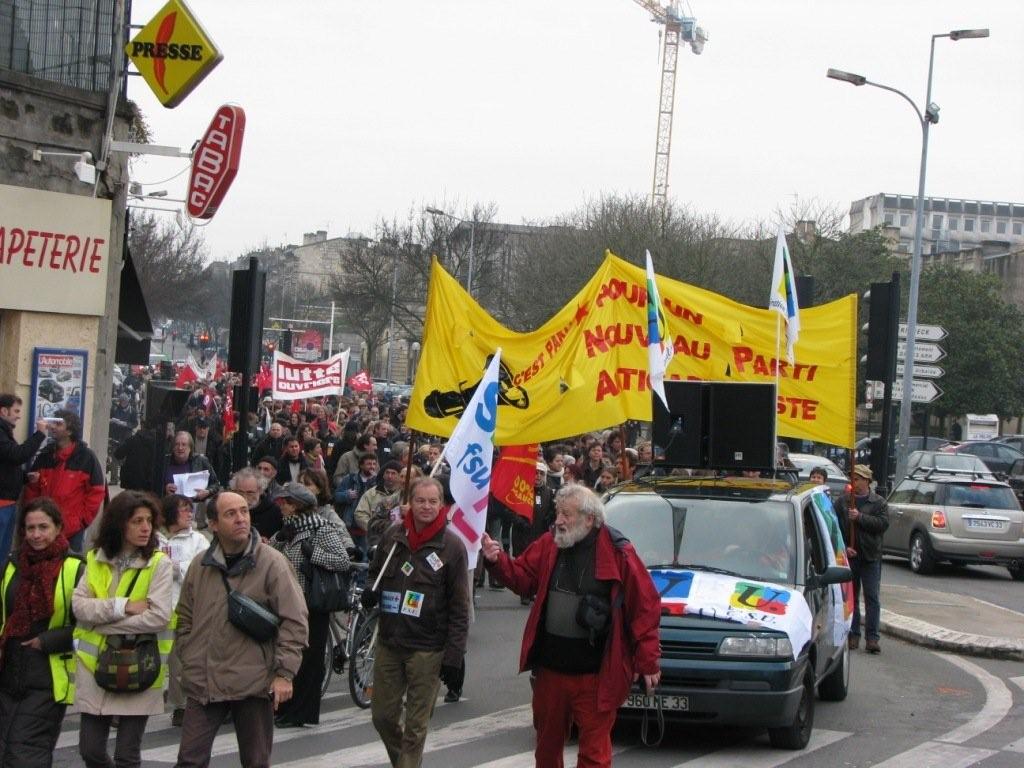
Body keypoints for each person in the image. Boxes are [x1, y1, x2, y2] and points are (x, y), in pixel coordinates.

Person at [480, 484, 662, 768]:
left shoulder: (619, 551)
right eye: (557, 513)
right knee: (547, 750)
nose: (559, 521)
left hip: (595, 676)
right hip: (551, 673)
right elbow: (524, 578)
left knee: (594, 755)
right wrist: (497, 561)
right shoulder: (550, 543)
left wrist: (648, 661)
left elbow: (645, 606)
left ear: (589, 519)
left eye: (566, 514)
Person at [173, 491, 308, 767]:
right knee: (189, 760)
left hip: (253, 681)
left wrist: (284, 673)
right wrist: (190, 653)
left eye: (244, 511)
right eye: (230, 514)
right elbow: (184, 616)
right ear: (213, 524)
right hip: (204, 679)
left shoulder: (272, 563)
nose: (240, 519)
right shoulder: (200, 565)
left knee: (255, 761)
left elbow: (294, 619)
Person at [361, 477, 470, 768]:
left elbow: (461, 608)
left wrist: (454, 655)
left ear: (442, 505)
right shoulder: (393, 537)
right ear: (410, 502)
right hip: (390, 641)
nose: (426, 507)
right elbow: (374, 574)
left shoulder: (452, 547)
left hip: (428, 648)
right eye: (420, 500)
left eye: (433, 501)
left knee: (415, 726)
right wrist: (371, 591)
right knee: (382, 717)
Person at [72, 491, 174, 768]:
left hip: (140, 664)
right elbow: (80, 607)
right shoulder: (95, 558)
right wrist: (123, 605)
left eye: (149, 521)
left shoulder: (158, 563)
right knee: (90, 750)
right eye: (136, 521)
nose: (145, 528)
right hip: (96, 667)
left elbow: (158, 617)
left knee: (127, 756)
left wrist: (101, 622)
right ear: (119, 523)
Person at [0, 498, 84, 767]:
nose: (35, 535)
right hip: (8, 671)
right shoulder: (12, 565)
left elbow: (88, 626)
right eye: (30, 528)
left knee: (26, 752)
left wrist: (47, 641)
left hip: (48, 676)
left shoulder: (75, 568)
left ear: (58, 527)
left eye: (43, 527)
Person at [269, 483, 351, 727]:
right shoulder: (287, 530)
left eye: (285, 501)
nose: (280, 506)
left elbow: (342, 561)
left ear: (296, 505)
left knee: (309, 660)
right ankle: (283, 708)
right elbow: (269, 558)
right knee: (288, 656)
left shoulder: (321, 529)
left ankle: (301, 712)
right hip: (287, 602)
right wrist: (277, 541)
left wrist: (313, 553)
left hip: (311, 603)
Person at [158, 494, 210, 727]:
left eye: (191, 510)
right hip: (157, 607)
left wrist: (176, 567)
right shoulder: (156, 539)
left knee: (181, 661)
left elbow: (204, 568)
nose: (189, 514)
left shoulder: (197, 539)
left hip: (184, 607)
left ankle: (182, 705)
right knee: (158, 660)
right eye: (184, 510)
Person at [24, 410, 105, 553]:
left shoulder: (86, 457)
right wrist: (32, 514)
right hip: (44, 526)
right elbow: (32, 489)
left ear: (69, 431)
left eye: (58, 424)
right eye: (53, 423)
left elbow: (97, 492)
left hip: (72, 528)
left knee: (70, 568)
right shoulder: (45, 455)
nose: (52, 427)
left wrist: (82, 521)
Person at [834, 464, 889, 655]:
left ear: (867, 481)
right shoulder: (843, 501)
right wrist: (844, 547)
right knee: (852, 597)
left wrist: (860, 518)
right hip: (851, 556)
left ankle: (872, 637)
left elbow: (882, 524)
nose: (854, 482)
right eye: (852, 478)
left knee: (872, 597)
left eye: (857, 479)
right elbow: (835, 527)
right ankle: (853, 634)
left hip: (870, 556)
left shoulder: (878, 502)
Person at [0, 394, 47, 562]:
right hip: (2, 502)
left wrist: (25, 478)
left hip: (8, 502)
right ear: (4, 411)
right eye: (16, 411)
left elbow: (6, 466)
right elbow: (16, 455)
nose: (19, 415)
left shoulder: (5, 432)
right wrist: (40, 434)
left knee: (4, 552)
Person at [158, 431, 219, 501]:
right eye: (177, 444)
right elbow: (153, 486)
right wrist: (164, 489)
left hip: (194, 506)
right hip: (169, 505)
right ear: (173, 447)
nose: (180, 448)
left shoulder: (201, 461)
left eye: (184, 444)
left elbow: (216, 485)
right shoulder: (164, 462)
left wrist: (208, 492)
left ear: (190, 448)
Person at [232, 467, 283, 540]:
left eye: (250, 493)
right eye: (240, 492)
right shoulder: (229, 508)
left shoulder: (275, 512)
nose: (244, 498)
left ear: (261, 490)